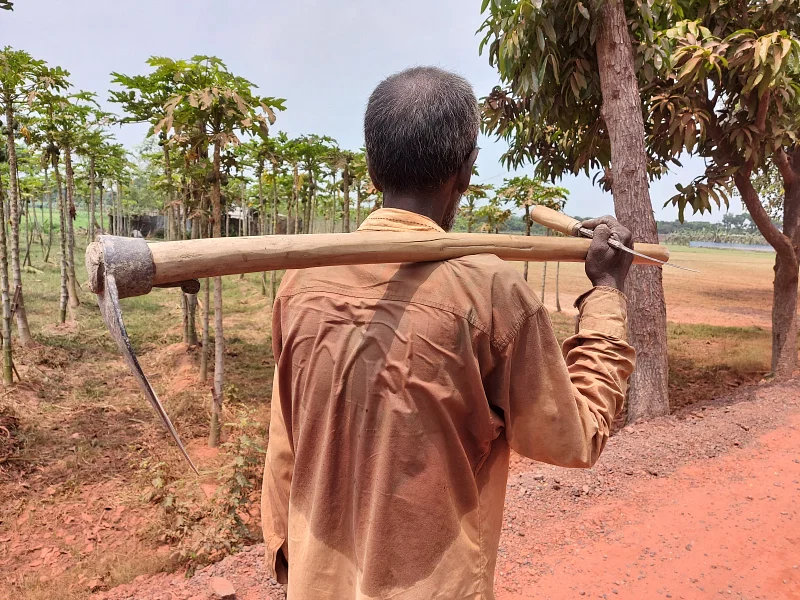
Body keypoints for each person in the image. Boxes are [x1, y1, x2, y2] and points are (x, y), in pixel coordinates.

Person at [262, 66, 636, 600]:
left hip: (316, 580)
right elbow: (572, 439)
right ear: (466, 170)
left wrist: (288, 555)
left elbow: (285, 439)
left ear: (372, 169)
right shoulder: (491, 293)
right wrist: (605, 293)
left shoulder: (302, 280)